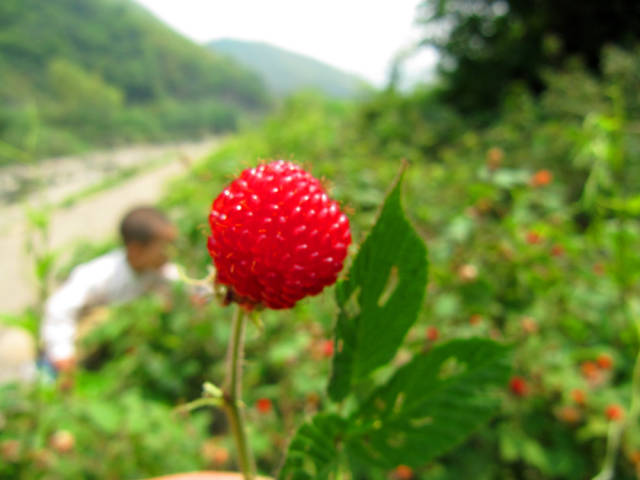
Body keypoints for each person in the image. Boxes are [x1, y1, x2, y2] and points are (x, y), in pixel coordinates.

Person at [40, 205, 182, 374]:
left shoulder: (163, 272)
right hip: (82, 349)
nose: (171, 253)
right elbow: (59, 308)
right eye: (165, 247)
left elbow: (186, 290)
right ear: (136, 250)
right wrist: (62, 353)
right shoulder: (100, 274)